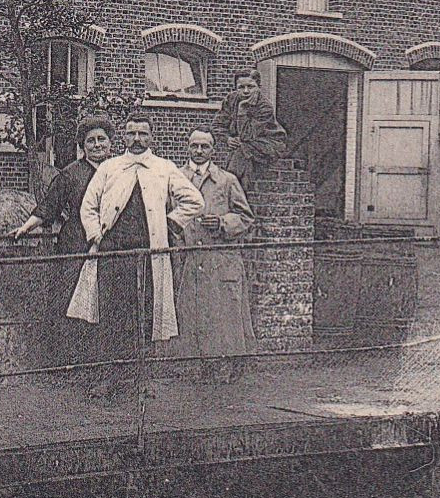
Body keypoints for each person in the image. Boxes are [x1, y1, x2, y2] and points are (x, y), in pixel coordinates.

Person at [68, 113, 203, 403]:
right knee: (109, 315)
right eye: (131, 134)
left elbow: (194, 200)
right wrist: (95, 235)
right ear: (124, 138)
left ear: (151, 136)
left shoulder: (163, 168)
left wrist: (171, 223)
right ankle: (108, 379)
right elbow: (88, 207)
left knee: (144, 316)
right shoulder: (110, 167)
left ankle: (141, 380)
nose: (137, 139)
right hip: (112, 253)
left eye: (143, 134)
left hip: (148, 256)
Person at [13, 116, 116, 365]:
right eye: (90, 141)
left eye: (102, 139)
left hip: (112, 244)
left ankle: (105, 360)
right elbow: (49, 206)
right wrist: (26, 227)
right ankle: (68, 360)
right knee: (70, 299)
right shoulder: (70, 174)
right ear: (82, 146)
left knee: (109, 299)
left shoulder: (119, 171)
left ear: (111, 143)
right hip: (76, 244)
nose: (97, 145)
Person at [171, 130, 258, 381]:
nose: (199, 151)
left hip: (221, 259)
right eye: (195, 146)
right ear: (187, 147)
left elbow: (245, 217)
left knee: (227, 315)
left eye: (205, 147)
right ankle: (202, 367)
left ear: (213, 150)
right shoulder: (176, 178)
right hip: (190, 259)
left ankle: (233, 366)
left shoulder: (227, 180)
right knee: (196, 314)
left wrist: (222, 222)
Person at [211, 71, 288, 186]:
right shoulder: (231, 99)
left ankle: (230, 189)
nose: (246, 91)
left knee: (241, 152)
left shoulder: (265, 107)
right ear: (236, 88)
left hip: (268, 143)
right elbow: (217, 125)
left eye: (251, 87)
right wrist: (228, 139)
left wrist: (242, 109)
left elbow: (246, 135)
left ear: (259, 88)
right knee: (241, 152)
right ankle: (235, 192)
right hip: (245, 144)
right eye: (241, 87)